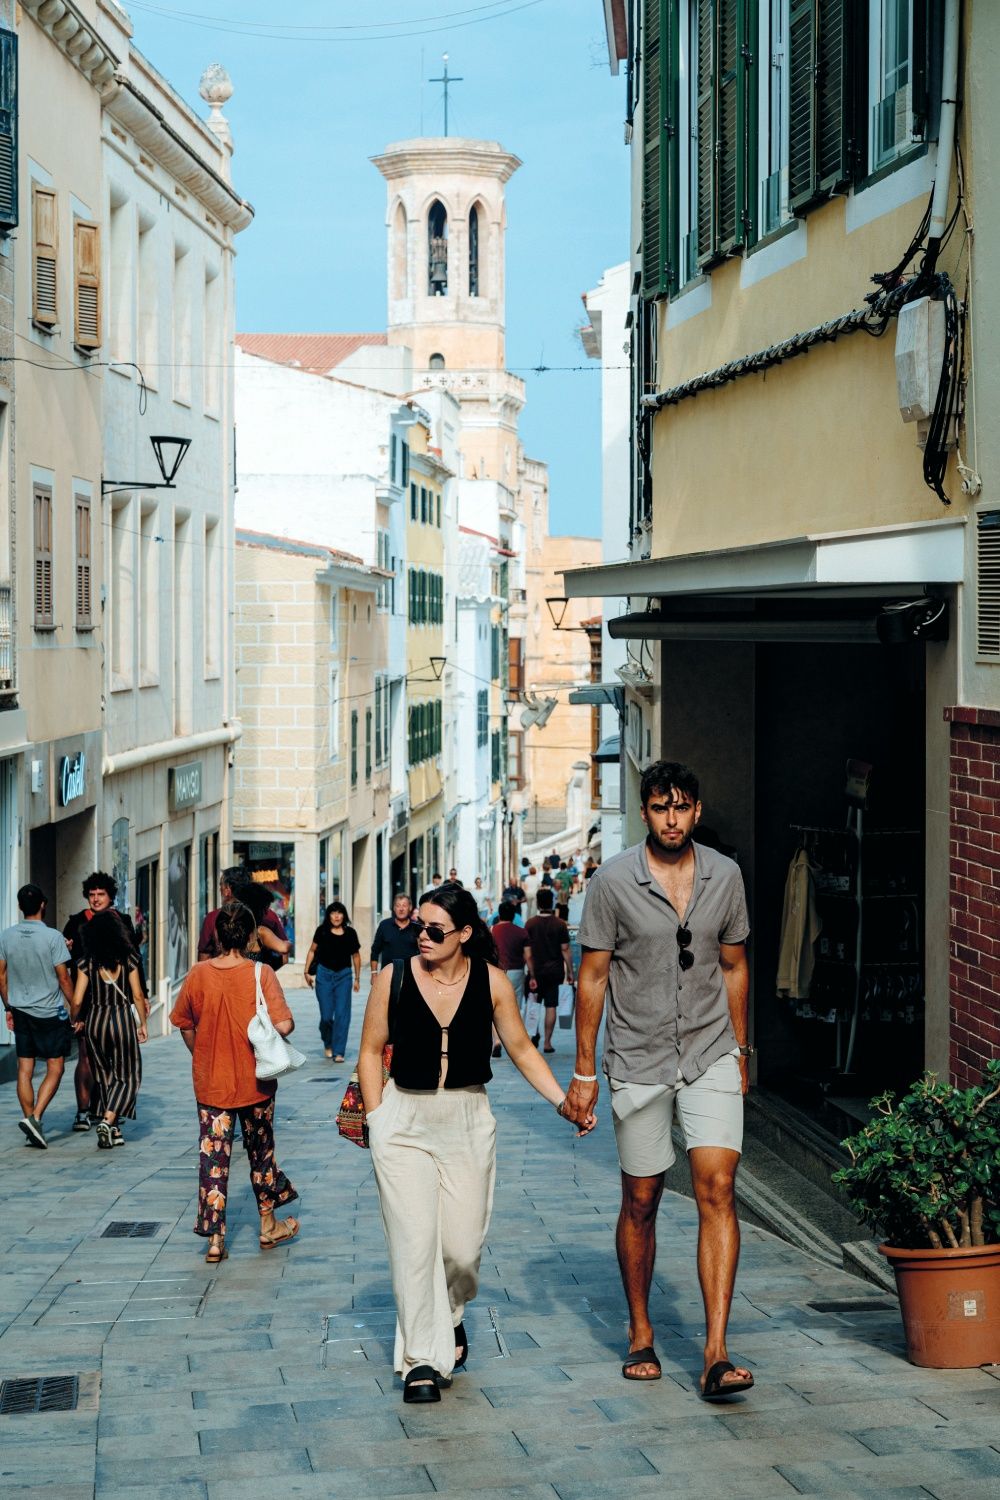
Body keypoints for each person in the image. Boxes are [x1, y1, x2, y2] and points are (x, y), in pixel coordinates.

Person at [357, 881, 596, 1404]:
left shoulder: (491, 983)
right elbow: (371, 1051)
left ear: (464, 934)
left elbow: (522, 1049)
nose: (422, 935)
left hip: (466, 1120)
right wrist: (378, 1121)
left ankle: (453, 1314)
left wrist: (563, 1101)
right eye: (419, 925)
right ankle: (421, 1360)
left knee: (461, 1250)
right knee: (414, 1244)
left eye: (435, 929)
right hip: (404, 1123)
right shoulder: (392, 978)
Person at [562, 761, 754, 1400]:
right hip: (638, 1058)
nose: (671, 818)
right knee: (641, 1198)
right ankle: (641, 1330)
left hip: (709, 1052)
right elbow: (591, 978)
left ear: (697, 811)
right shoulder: (612, 882)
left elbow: (733, 966)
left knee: (717, 1189)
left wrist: (742, 1049)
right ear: (644, 812)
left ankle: (717, 1351)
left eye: (682, 807)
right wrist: (584, 1070)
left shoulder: (725, 876)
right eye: (659, 807)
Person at [170, 901, 300, 1264]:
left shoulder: (197, 974)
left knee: (213, 1160)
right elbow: (285, 1025)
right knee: (261, 1153)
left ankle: (215, 1238)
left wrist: (202, 1053)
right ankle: (268, 1225)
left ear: (216, 934)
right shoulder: (262, 974)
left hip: (211, 1083)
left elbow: (184, 1022)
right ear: (249, 936)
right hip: (255, 1083)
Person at [63, 871, 147, 1133]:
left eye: (101, 894)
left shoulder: (121, 920)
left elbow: (134, 959)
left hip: (107, 999)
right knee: (88, 1058)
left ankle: (108, 1111)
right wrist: (76, 1014)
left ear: (110, 897)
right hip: (91, 1000)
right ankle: (85, 1110)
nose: (96, 899)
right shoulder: (76, 923)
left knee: (111, 1061)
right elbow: (66, 965)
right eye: (92, 894)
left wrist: (143, 995)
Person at [0, 885, 74, 1148]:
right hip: (49, 1012)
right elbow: (63, 977)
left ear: (20, 907)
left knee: (25, 1069)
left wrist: (8, 1007)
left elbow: (1, 975)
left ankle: (29, 1120)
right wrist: (75, 1007)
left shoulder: (6, 936)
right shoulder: (54, 937)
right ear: (43, 904)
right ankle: (36, 1116)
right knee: (56, 1067)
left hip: (20, 1009)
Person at [304, 901, 361, 1061]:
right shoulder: (322, 931)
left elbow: (356, 956)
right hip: (324, 975)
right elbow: (312, 951)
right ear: (328, 915)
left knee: (343, 1014)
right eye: (333, 913)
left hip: (344, 976)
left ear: (344, 915)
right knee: (326, 1016)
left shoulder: (350, 933)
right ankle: (328, 1042)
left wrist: (357, 978)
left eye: (340, 913)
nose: (336, 916)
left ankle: (339, 1051)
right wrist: (306, 971)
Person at [198, 867, 288, 964]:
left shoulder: (212, 918)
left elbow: (204, 959)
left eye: (221, 886)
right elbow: (284, 954)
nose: (220, 889)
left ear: (227, 889)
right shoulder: (268, 915)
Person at [524, 888, 573, 1053]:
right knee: (551, 1006)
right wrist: (571, 973)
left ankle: (534, 1033)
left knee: (534, 1004)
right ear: (552, 903)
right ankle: (547, 1043)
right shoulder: (560, 924)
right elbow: (565, 950)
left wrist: (530, 973)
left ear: (537, 903)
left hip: (536, 971)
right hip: (555, 971)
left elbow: (528, 953)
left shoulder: (530, 924)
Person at [370, 893, 420, 976]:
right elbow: (375, 951)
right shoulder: (384, 925)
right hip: (387, 975)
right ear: (394, 908)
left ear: (410, 908)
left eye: (404, 905)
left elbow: (422, 952)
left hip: (411, 976)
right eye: (398, 906)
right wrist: (374, 974)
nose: (401, 909)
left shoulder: (416, 927)